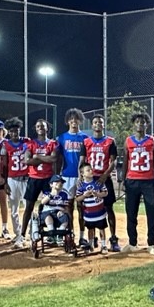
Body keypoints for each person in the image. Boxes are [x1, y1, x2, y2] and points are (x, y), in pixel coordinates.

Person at [122, 112, 154, 255]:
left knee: (152, 212)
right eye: (137, 122)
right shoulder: (128, 141)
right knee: (130, 212)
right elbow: (126, 160)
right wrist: (123, 180)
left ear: (147, 124)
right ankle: (132, 242)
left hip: (149, 181)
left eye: (143, 122)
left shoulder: (153, 141)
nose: (140, 124)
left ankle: (151, 243)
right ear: (133, 124)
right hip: (132, 180)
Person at [79, 114, 121, 252]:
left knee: (108, 208)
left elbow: (113, 161)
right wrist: (81, 175)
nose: (98, 124)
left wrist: (105, 175)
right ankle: (92, 238)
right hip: (90, 178)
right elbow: (83, 160)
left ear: (103, 125)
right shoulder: (86, 142)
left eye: (100, 122)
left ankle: (113, 239)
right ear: (92, 125)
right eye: (95, 122)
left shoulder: (110, 141)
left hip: (103, 178)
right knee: (87, 208)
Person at [19, 119, 59, 244]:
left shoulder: (53, 143)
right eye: (38, 126)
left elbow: (53, 158)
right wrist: (44, 159)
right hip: (34, 178)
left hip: (48, 179)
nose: (40, 128)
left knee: (50, 206)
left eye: (43, 126)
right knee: (29, 207)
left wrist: (37, 157)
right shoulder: (30, 143)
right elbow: (27, 161)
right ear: (35, 129)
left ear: (48, 128)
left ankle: (53, 233)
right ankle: (22, 235)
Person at [56, 108, 88, 244]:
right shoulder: (62, 138)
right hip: (67, 176)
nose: (73, 121)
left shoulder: (85, 138)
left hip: (81, 176)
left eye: (76, 118)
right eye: (71, 119)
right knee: (68, 207)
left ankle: (82, 236)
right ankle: (69, 235)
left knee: (82, 207)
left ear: (80, 120)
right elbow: (57, 159)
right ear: (68, 121)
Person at [3, 117, 29, 248]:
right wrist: (5, 183)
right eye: (12, 131)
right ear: (8, 132)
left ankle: (28, 233)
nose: (14, 133)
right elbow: (4, 164)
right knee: (14, 209)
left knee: (28, 207)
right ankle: (18, 234)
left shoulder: (26, 141)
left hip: (25, 178)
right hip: (12, 179)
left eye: (16, 130)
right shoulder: (6, 145)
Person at [75, 163, 109, 254]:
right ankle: (90, 245)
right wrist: (84, 195)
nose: (91, 171)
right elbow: (77, 198)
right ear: (82, 174)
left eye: (91, 169)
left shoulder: (98, 182)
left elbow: (105, 193)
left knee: (102, 229)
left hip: (100, 212)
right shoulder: (81, 186)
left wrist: (98, 194)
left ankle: (103, 245)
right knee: (90, 229)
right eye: (88, 170)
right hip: (89, 214)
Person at [39, 174, 71, 244]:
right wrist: (51, 195)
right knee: (48, 217)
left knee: (65, 218)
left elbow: (67, 207)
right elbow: (42, 202)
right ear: (51, 184)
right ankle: (51, 235)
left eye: (61, 182)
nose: (59, 184)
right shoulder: (47, 193)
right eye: (56, 182)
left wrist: (63, 211)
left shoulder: (64, 194)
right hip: (47, 211)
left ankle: (59, 236)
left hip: (59, 211)